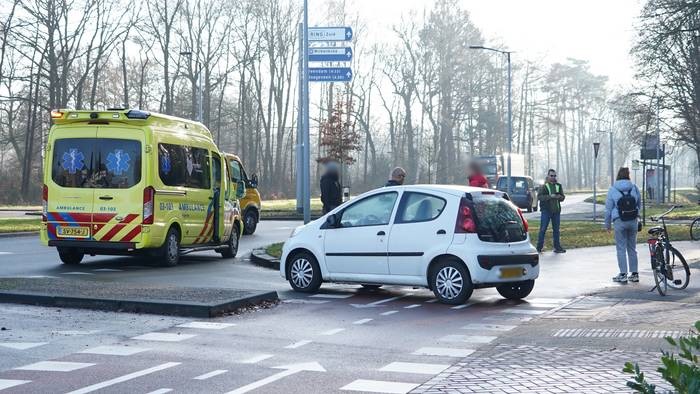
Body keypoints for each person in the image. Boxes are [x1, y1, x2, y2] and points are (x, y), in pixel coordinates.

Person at [605, 167, 641, 284]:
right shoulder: (634, 187)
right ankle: (634, 274)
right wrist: (636, 216)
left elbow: (608, 209)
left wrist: (607, 225)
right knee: (632, 248)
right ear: (628, 175)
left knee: (621, 248)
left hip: (619, 220)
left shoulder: (613, 189)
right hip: (633, 220)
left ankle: (623, 274)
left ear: (618, 175)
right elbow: (639, 204)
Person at [536, 169, 566, 254]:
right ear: (548, 176)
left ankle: (557, 247)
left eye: (554, 176)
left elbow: (563, 197)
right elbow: (540, 197)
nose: (553, 177)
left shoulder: (558, 186)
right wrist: (550, 196)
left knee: (556, 230)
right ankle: (539, 247)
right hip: (546, 211)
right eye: (551, 176)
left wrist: (559, 197)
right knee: (543, 229)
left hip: (556, 211)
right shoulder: (543, 186)